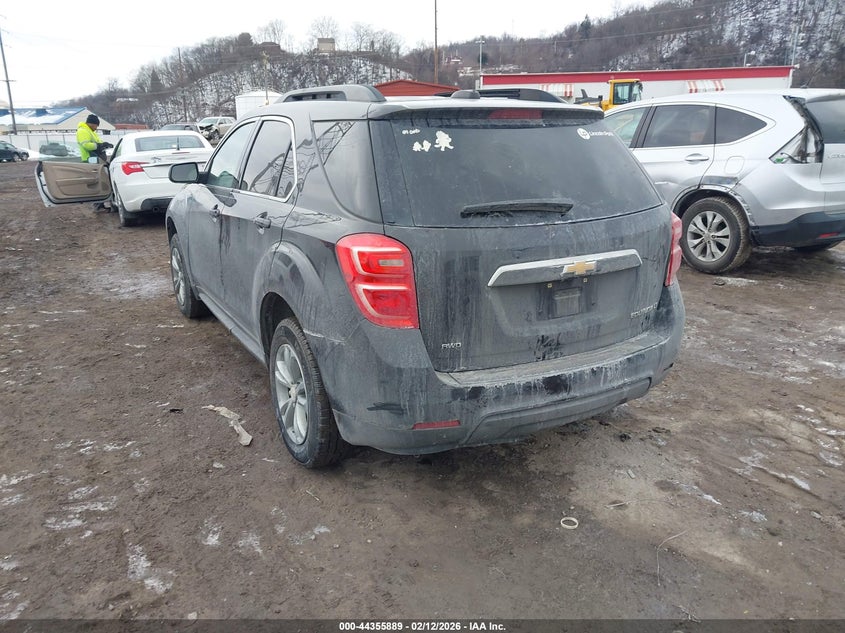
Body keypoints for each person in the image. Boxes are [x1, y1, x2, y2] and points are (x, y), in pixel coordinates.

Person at [76, 114, 114, 211]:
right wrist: (99, 146)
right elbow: (87, 145)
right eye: (96, 125)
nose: (97, 128)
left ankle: (101, 203)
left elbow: (96, 143)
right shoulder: (83, 131)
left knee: (101, 181)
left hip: (96, 159)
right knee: (97, 182)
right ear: (92, 124)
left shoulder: (90, 131)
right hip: (90, 159)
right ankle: (98, 204)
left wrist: (103, 145)